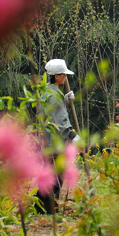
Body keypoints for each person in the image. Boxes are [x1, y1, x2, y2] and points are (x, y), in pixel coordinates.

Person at [36, 58, 81, 213]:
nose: (65, 77)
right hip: (54, 143)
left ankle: (39, 207)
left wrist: (65, 101)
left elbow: (54, 112)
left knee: (51, 175)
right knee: (57, 177)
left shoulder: (48, 91)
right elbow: (61, 121)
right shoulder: (54, 94)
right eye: (64, 74)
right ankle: (48, 208)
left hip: (46, 141)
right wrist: (72, 134)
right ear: (56, 76)